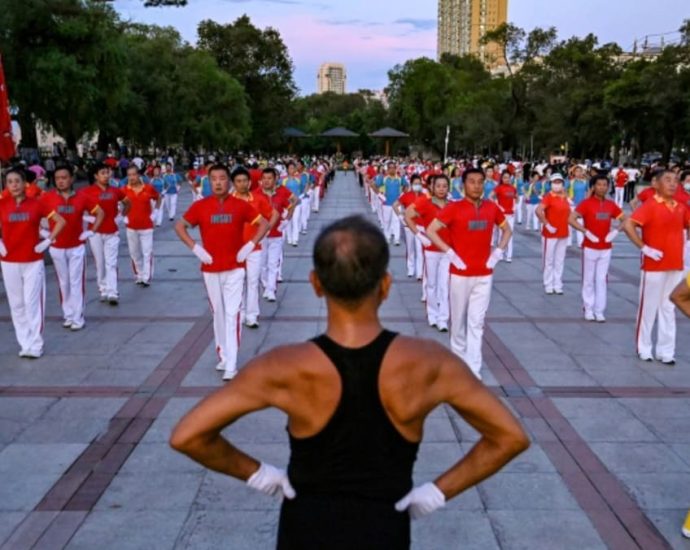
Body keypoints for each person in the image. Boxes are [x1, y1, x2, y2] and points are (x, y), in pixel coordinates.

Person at [170, 215, 529, 549]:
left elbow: (188, 435)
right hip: (384, 529)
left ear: (315, 284)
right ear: (386, 285)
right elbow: (510, 437)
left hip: (305, 528)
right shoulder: (428, 363)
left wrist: (261, 475)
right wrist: (436, 493)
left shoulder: (284, 366)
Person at [175, 164, 270, 380]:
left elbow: (264, 223)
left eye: (222, 178)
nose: (218, 182)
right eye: (214, 179)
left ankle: (232, 363)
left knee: (233, 312)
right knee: (218, 312)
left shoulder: (240, 205)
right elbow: (180, 226)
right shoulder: (201, 206)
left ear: (228, 181)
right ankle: (224, 355)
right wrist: (195, 248)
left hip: (235, 267)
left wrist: (250, 244)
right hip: (210, 267)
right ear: (209, 181)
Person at [427, 168, 511, 379]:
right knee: (458, 322)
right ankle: (458, 362)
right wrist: (449, 253)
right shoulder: (454, 208)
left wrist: (498, 252)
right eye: (472, 182)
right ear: (463, 185)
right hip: (460, 273)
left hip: (484, 274)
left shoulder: (492, 208)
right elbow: (431, 230)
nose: (476, 186)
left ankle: (473, 368)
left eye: (480, 182)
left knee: (477, 322)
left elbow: (507, 229)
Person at [622, 169, 690, 365]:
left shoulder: (681, 206)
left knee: (669, 307)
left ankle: (666, 350)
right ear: (656, 184)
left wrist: (687, 245)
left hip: (675, 263)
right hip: (654, 264)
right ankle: (644, 347)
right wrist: (645, 248)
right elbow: (629, 225)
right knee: (648, 307)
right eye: (667, 180)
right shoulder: (651, 205)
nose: (672, 184)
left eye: (675, 180)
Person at [0, 167, 66, 357]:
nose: (14, 185)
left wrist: (48, 240)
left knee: (32, 302)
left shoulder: (38, 204)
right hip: (9, 260)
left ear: (24, 183)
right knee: (16, 304)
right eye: (10, 182)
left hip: (32, 260)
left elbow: (60, 221)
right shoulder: (2, 204)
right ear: (6, 185)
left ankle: (36, 344)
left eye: (17, 181)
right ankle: (25, 343)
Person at [40, 164, 104, 330]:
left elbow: (100, 213)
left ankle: (78, 317)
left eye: (64, 178)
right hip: (57, 247)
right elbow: (34, 214)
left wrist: (91, 232)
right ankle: (68, 315)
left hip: (76, 246)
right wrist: (44, 233)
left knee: (76, 281)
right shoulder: (48, 198)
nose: (61, 181)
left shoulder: (82, 197)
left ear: (72, 179)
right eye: (57, 179)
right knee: (64, 282)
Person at [569, 174, 624, 322]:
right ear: (593, 187)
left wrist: (616, 232)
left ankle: (599, 310)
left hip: (606, 246)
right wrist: (585, 231)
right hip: (590, 246)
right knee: (588, 279)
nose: (602, 187)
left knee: (601, 279)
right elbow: (571, 219)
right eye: (599, 185)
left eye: (605, 185)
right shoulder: (586, 204)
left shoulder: (611, 205)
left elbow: (626, 220)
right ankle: (588, 308)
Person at [231, 167, 279, 328]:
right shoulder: (228, 200)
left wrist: (265, 231)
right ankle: (241, 312)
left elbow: (274, 214)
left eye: (245, 181)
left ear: (250, 182)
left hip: (254, 248)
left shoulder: (258, 199)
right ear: (233, 183)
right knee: (238, 282)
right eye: (238, 181)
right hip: (234, 248)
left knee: (252, 281)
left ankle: (252, 315)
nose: (242, 184)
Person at [404, 176, 451, 331]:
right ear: (432, 187)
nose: (442, 189)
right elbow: (408, 216)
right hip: (431, 249)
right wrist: (418, 235)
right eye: (438, 186)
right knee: (431, 284)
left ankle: (443, 318)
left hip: (446, 250)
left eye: (445, 186)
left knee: (444, 285)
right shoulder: (425, 203)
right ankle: (432, 314)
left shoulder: (452, 206)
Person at [81, 162, 130, 305]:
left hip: (112, 231)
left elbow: (128, 203)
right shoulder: (87, 192)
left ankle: (113, 292)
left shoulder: (115, 191)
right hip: (95, 232)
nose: (106, 176)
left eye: (107, 172)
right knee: (100, 262)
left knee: (111, 262)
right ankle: (103, 288)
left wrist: (121, 216)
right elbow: (78, 206)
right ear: (96, 176)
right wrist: (85, 217)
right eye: (102, 173)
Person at [258, 168, 297, 302]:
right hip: (260, 235)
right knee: (262, 263)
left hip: (276, 234)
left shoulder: (280, 195)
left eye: (270, 178)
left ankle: (271, 289)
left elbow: (291, 205)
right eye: (264, 178)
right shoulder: (255, 194)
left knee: (273, 263)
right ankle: (265, 283)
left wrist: (286, 220)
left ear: (275, 179)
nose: (267, 181)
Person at [122, 165, 161, 287]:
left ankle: (146, 277)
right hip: (131, 227)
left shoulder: (148, 188)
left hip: (146, 226)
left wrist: (155, 213)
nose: (132, 177)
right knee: (134, 252)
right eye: (129, 175)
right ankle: (139, 274)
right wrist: (123, 215)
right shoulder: (124, 190)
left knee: (147, 251)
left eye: (134, 174)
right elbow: (118, 205)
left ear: (138, 175)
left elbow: (158, 197)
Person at [536, 174, 571, 295]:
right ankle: (548, 283)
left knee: (560, 260)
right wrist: (547, 225)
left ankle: (558, 284)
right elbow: (538, 210)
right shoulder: (548, 197)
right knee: (549, 260)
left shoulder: (565, 197)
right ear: (550, 184)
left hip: (563, 233)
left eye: (559, 182)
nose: (557, 184)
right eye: (555, 182)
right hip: (550, 234)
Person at [394, 175, 425, 279]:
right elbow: (395, 205)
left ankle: (419, 273)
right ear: (411, 184)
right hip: (408, 226)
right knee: (410, 249)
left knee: (420, 250)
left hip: (420, 226)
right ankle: (410, 269)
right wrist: (401, 217)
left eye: (419, 183)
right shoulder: (406, 195)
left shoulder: (424, 196)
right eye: (416, 183)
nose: (418, 185)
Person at [377, 162, 406, 246]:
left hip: (397, 204)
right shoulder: (384, 178)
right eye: (390, 168)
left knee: (397, 221)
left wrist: (402, 195)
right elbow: (374, 185)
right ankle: (387, 237)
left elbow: (406, 186)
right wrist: (380, 195)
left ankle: (397, 239)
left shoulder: (400, 178)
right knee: (387, 221)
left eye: (394, 168)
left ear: (396, 169)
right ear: (388, 169)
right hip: (386, 203)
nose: (392, 169)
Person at [493, 170, 517, 263]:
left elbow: (517, 198)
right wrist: (498, 206)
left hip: (510, 215)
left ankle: (509, 255)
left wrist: (515, 207)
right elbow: (491, 197)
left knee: (510, 234)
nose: (506, 179)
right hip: (501, 215)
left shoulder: (513, 188)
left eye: (508, 177)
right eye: (504, 177)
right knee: (500, 234)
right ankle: (500, 254)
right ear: (502, 179)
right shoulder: (499, 188)